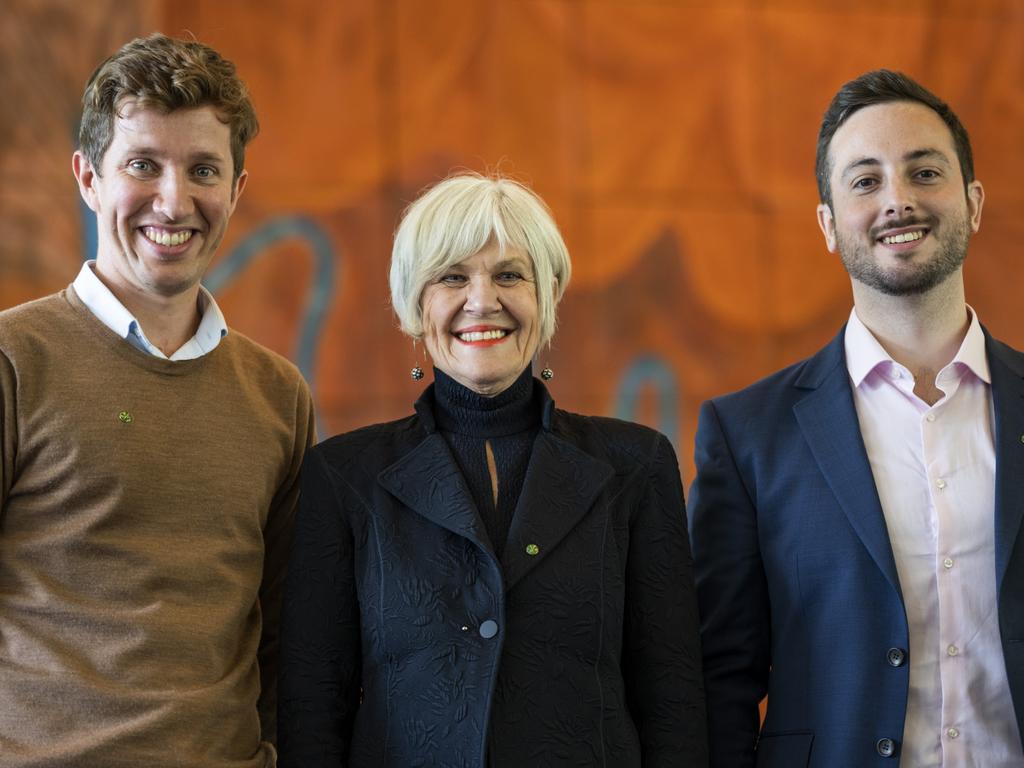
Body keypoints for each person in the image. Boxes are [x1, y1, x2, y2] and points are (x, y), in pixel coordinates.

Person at [278, 172, 708, 767]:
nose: (483, 300)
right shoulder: (343, 476)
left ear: (546, 296)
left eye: (510, 274)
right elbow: (312, 705)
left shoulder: (636, 464)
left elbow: (674, 699)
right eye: (452, 276)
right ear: (413, 304)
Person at [689, 69, 1024, 767]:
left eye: (924, 172)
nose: (897, 200)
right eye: (865, 181)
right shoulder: (749, 436)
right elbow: (717, 680)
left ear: (973, 200)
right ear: (829, 224)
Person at [0, 34, 315, 766]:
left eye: (203, 169)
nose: (174, 200)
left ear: (236, 188)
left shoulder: (277, 396)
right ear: (88, 177)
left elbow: (279, 634)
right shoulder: (15, 362)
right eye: (143, 165)